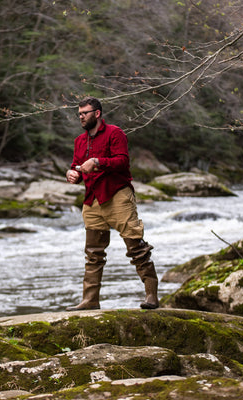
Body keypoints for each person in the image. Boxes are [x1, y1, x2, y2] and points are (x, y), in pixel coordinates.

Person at [65, 96, 159, 311]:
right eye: (79, 114)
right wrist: (72, 174)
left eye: (85, 113)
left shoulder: (115, 133)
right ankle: (90, 300)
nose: (81, 117)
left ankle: (151, 296)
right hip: (92, 200)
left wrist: (98, 162)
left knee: (137, 248)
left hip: (117, 195)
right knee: (93, 253)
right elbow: (76, 167)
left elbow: (122, 161)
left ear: (97, 113)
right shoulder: (79, 141)